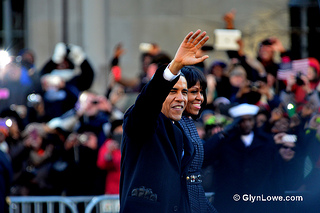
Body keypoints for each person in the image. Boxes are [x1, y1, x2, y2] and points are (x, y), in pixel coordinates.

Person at [120, 29, 209, 213]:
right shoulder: (142, 121)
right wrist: (174, 67)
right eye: (172, 91)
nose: (180, 98)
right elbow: (148, 102)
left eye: (184, 92)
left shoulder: (179, 131)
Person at [203, 103, 279, 213]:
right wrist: (223, 133)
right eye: (242, 121)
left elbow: (275, 173)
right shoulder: (225, 141)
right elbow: (204, 157)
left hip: (258, 202)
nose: (247, 124)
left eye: (250, 120)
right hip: (229, 203)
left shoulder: (266, 142)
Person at [178, 66, 217, 213]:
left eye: (202, 91)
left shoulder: (188, 122)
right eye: (194, 91)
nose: (200, 97)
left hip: (196, 199)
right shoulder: (172, 126)